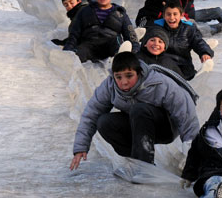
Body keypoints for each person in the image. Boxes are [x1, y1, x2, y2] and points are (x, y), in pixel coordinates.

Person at [70, 52, 199, 166]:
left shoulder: (158, 82)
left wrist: (192, 151)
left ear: (139, 73)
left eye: (129, 75)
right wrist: (81, 146)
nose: (124, 82)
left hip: (165, 127)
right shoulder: (109, 86)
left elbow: (185, 112)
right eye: (118, 77)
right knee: (104, 122)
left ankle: (144, 164)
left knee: (139, 109)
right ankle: (134, 160)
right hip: (137, 125)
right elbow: (91, 114)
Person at [63, 0, 138, 63]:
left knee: (116, 41)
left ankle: (120, 57)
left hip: (111, 45)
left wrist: (135, 51)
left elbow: (130, 35)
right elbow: (74, 34)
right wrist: (67, 51)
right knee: (78, 54)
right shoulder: (84, 11)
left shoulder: (120, 13)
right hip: (89, 45)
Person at [153, 0, 214, 80]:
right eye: (168, 14)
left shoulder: (188, 28)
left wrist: (205, 52)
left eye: (175, 14)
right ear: (164, 16)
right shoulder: (157, 27)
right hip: (163, 68)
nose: (171, 18)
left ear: (181, 15)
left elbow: (198, 42)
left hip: (183, 68)